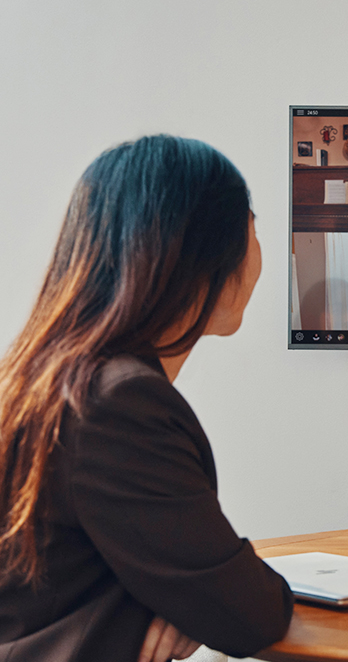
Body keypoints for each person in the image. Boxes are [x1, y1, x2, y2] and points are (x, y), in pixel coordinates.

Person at [0, 136, 293, 661]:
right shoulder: (119, 405)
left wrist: (186, 605)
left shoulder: (47, 379)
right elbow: (250, 613)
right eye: (252, 228)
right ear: (199, 253)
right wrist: (195, 608)